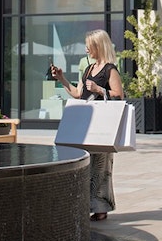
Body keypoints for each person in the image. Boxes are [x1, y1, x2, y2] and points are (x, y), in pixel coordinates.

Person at [51, 30, 124, 221]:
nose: (86, 49)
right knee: (84, 164)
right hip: (86, 123)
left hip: (102, 125)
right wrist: (61, 78)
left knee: (101, 166)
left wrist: (100, 89)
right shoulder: (88, 69)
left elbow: (119, 96)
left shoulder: (110, 69)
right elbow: (77, 93)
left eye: (89, 45)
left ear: (98, 46)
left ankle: (101, 207)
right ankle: (84, 204)